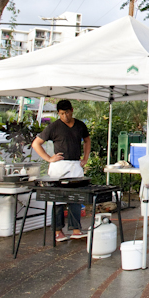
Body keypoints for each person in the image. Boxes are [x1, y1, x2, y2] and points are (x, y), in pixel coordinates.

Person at [32, 100, 90, 242]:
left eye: (67, 113)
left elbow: (87, 140)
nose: (65, 116)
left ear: (72, 110)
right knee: (57, 199)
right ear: (58, 113)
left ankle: (76, 229)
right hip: (59, 165)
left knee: (76, 197)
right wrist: (48, 158)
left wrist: (85, 158)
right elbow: (36, 143)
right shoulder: (54, 127)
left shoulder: (80, 125)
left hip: (75, 164)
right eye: (62, 114)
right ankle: (58, 231)